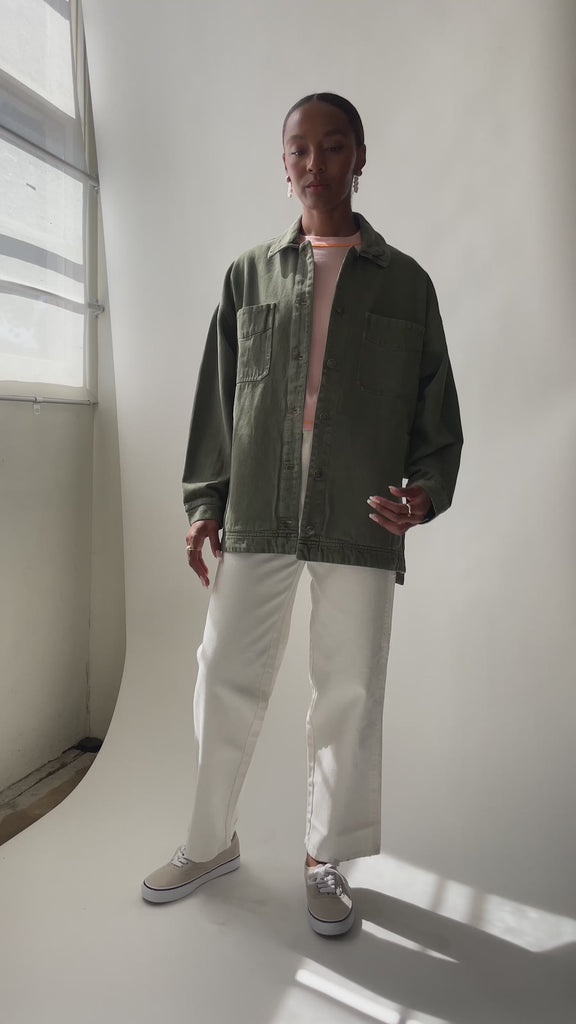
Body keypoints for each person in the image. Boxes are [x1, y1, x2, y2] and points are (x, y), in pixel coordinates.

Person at [141, 93, 463, 936]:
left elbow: (436, 408)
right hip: (259, 498)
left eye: (334, 145)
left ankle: (327, 861)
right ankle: (209, 842)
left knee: (349, 688)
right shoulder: (248, 275)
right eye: (299, 148)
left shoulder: (407, 284)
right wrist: (205, 502)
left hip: (361, 507)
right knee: (223, 671)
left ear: (361, 156)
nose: (315, 163)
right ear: (283, 162)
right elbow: (219, 402)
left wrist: (427, 490)